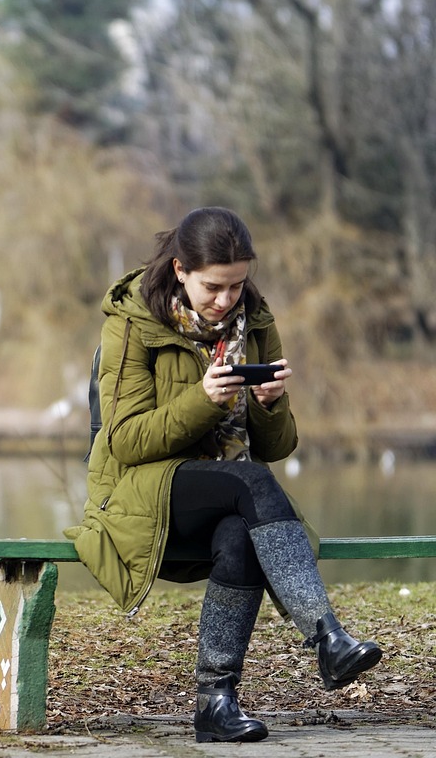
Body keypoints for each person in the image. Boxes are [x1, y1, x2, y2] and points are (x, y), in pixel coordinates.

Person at [64, 207, 381, 744]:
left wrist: (268, 404)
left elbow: (278, 447)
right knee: (250, 483)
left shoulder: (255, 324)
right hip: (138, 495)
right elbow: (124, 441)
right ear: (181, 269)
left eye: (237, 285)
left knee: (240, 535)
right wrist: (204, 401)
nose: (226, 299)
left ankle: (216, 702)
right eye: (213, 286)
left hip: (225, 497)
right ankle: (327, 638)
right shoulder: (132, 324)